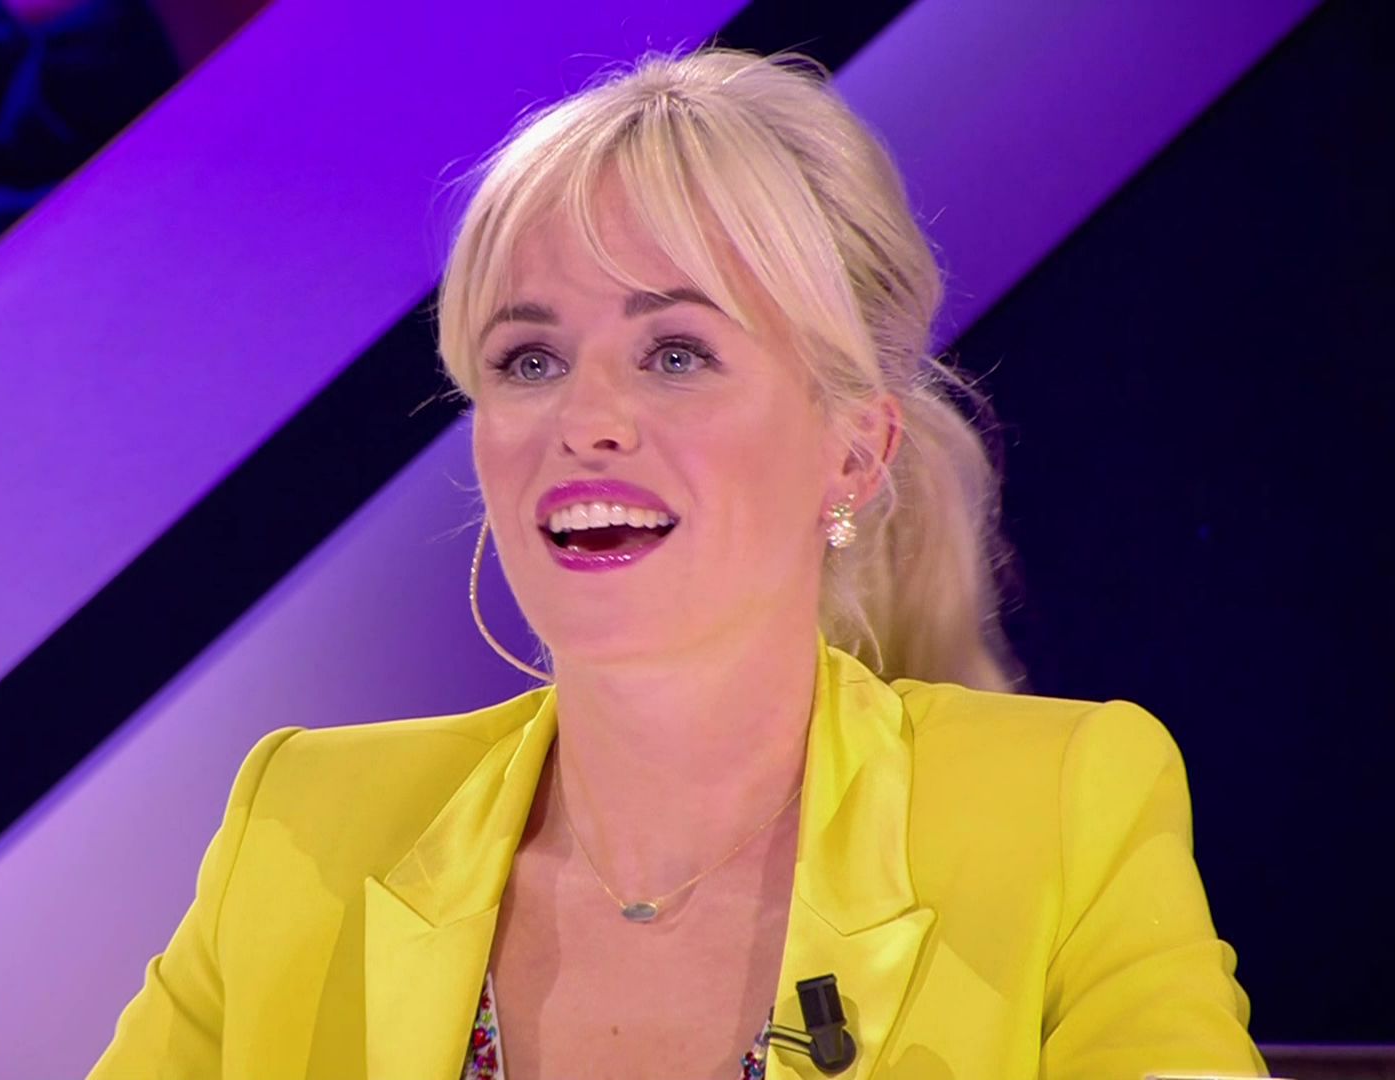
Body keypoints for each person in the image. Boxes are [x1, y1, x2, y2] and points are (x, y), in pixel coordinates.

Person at [88, 48, 1265, 1079]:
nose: (586, 421)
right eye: (531, 361)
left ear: (854, 452)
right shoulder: (303, 823)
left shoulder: (1058, 810)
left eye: (677, 354)